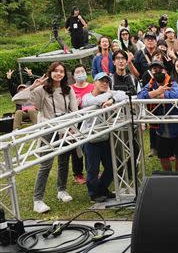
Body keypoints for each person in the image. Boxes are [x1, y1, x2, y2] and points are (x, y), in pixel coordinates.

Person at [29, 62, 78, 213]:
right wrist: (32, 87)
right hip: (48, 130)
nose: (58, 73)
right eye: (55, 71)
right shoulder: (42, 90)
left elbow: (74, 111)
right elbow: (20, 100)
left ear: (65, 74)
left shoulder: (68, 89)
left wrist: (72, 127)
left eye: (61, 71)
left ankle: (61, 190)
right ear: (50, 73)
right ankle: (38, 200)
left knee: (64, 161)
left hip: (65, 130)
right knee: (46, 165)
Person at [81, 72, 126, 202]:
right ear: (94, 82)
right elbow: (96, 101)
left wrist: (111, 100)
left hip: (104, 137)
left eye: (107, 81)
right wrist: (110, 95)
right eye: (101, 81)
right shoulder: (86, 97)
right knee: (92, 169)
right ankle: (94, 193)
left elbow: (123, 95)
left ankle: (102, 188)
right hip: (90, 138)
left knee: (111, 166)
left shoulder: (108, 96)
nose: (105, 83)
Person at [138, 61, 178, 172]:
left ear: (164, 70)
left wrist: (157, 94)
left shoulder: (173, 82)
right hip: (160, 128)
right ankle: (168, 176)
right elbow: (140, 96)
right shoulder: (151, 84)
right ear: (151, 72)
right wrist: (157, 92)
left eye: (159, 69)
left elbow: (176, 95)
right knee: (163, 156)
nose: (157, 71)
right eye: (154, 70)